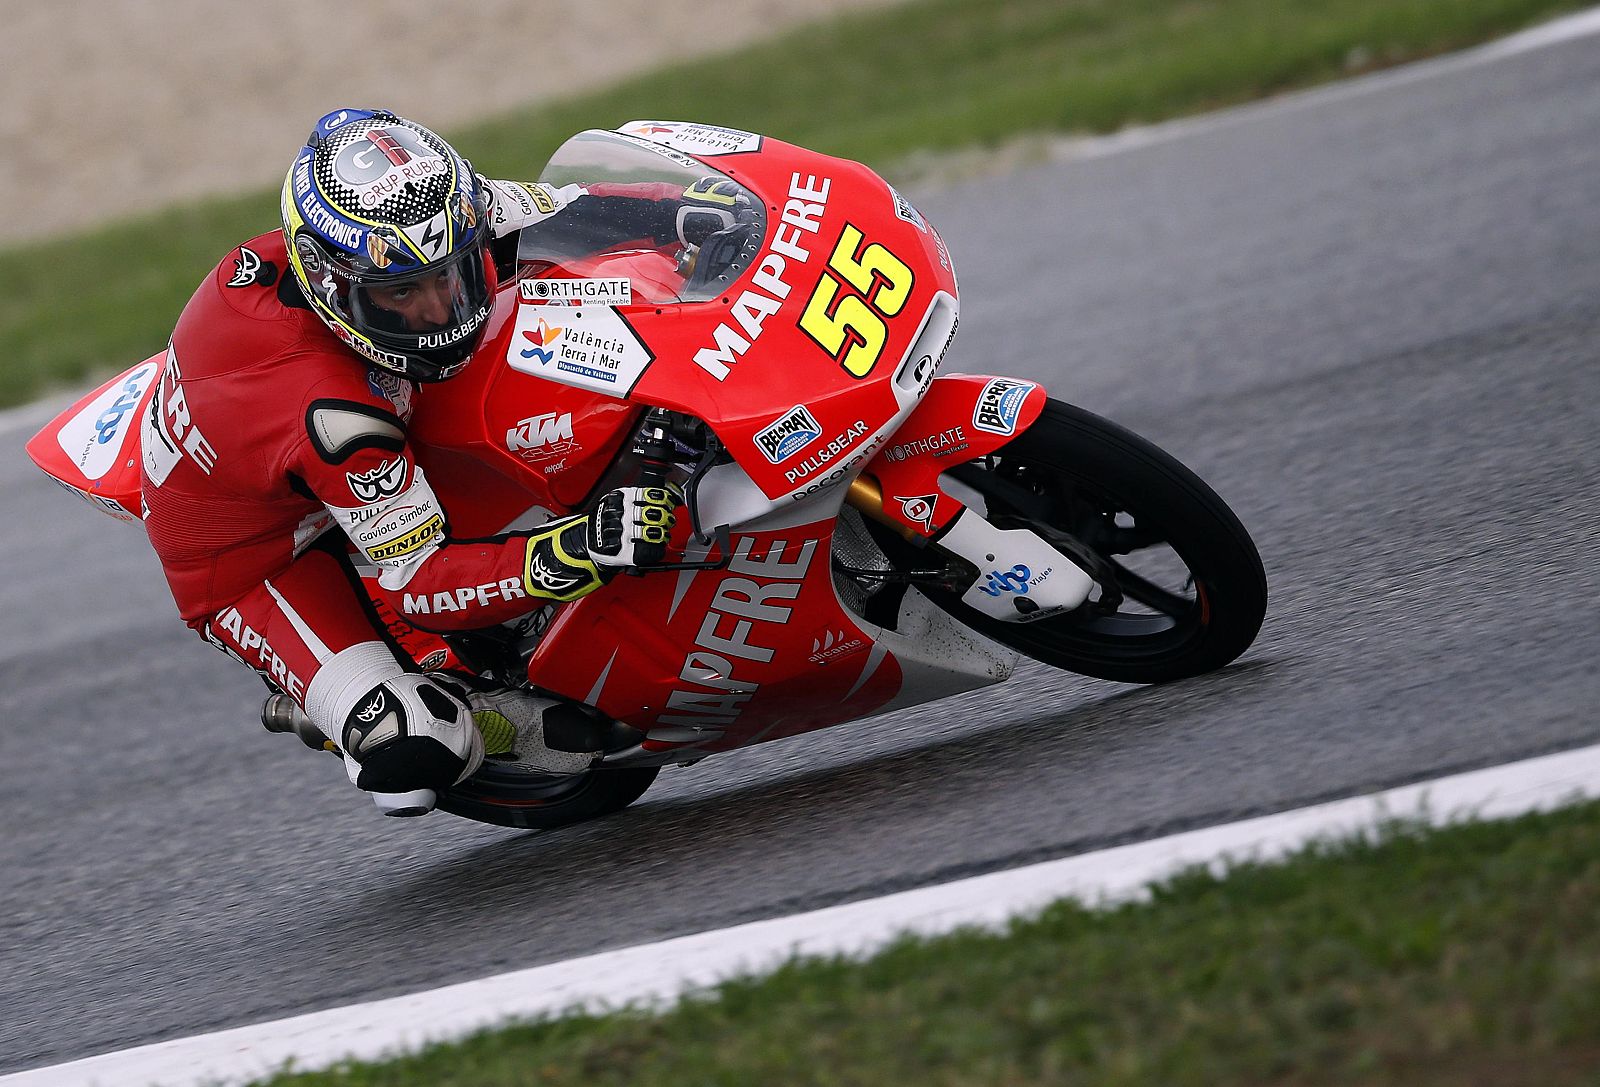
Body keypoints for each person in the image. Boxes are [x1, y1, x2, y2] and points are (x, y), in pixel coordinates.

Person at [140, 108, 734, 817]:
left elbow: (572, 213)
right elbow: (423, 581)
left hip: (307, 420)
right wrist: (579, 548)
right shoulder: (334, 418)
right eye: (402, 294)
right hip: (255, 558)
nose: (437, 311)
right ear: (336, 288)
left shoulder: (427, 223)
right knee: (415, 751)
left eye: (448, 277)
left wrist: (691, 212)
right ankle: (346, 705)